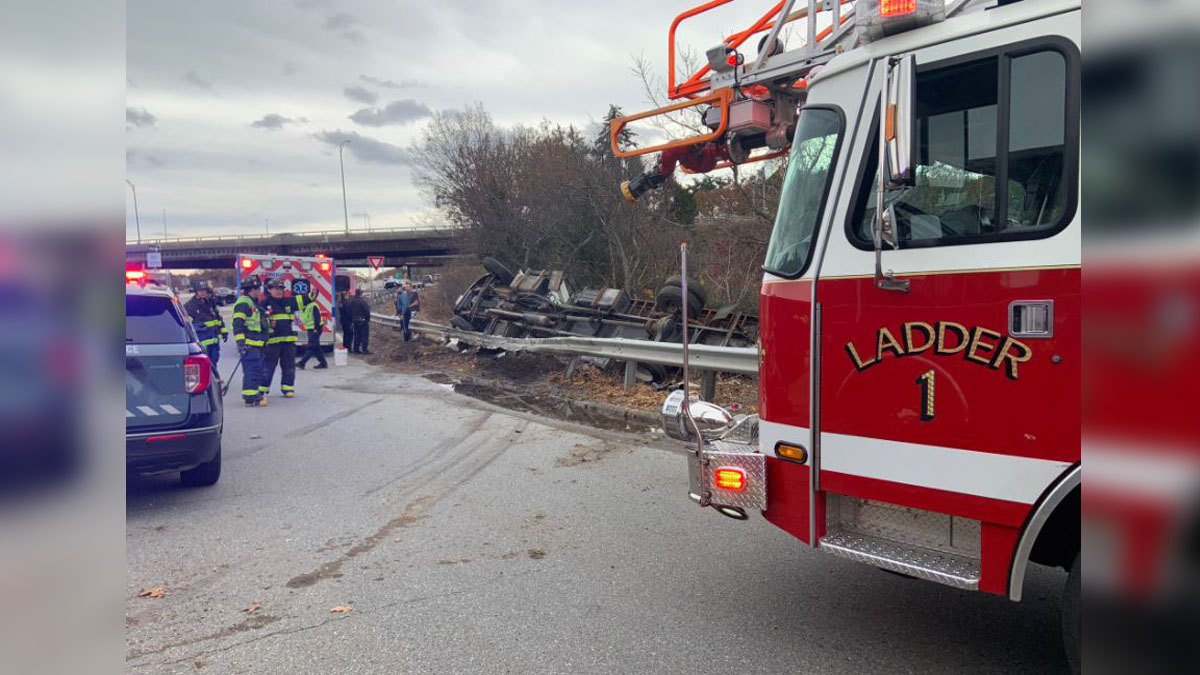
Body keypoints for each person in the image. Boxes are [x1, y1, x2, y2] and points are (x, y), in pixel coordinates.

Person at [231, 278, 269, 407]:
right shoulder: (244, 303)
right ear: (253, 289)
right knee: (251, 370)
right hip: (249, 343)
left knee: (255, 369)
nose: (260, 291)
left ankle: (252, 395)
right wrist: (241, 342)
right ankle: (251, 395)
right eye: (258, 288)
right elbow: (238, 324)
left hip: (256, 343)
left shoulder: (253, 303)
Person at [261, 279, 300, 398]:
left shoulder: (289, 301)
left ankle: (287, 388)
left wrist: (311, 295)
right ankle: (262, 389)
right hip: (273, 342)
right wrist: (267, 323)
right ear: (269, 290)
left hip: (288, 341)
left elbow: (304, 300)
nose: (279, 291)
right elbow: (258, 321)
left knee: (289, 366)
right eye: (276, 289)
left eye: (281, 289)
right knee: (268, 367)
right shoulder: (264, 303)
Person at [184, 284, 227, 366]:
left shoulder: (210, 304)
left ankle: (214, 378)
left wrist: (223, 331)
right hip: (201, 342)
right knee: (204, 365)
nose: (203, 293)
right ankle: (213, 378)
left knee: (214, 362)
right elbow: (187, 325)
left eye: (205, 291)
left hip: (214, 341)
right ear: (196, 292)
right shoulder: (190, 306)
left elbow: (218, 319)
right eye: (200, 291)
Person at [296, 286, 328, 370]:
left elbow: (317, 318)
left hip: (315, 329)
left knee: (311, 346)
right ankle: (323, 363)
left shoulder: (313, 306)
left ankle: (302, 362)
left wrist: (315, 329)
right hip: (311, 328)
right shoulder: (305, 307)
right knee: (316, 347)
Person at [350, 288, 372, 354]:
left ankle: (356, 349)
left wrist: (352, 319)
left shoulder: (352, 301)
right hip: (363, 321)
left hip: (355, 321)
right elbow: (367, 311)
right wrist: (367, 319)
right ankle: (364, 349)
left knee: (356, 335)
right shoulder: (363, 301)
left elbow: (349, 311)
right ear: (361, 294)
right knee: (364, 335)